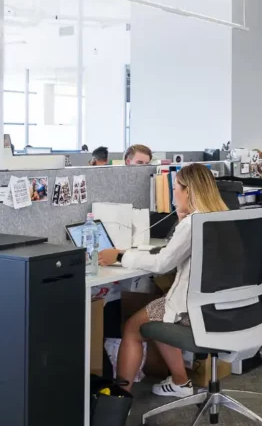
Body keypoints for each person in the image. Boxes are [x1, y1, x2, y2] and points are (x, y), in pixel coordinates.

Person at [97, 164, 229, 399]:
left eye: (176, 187)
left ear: (188, 191)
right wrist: (181, 219)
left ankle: (119, 401)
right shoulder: (224, 217)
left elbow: (161, 265)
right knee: (157, 309)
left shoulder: (192, 224)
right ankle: (180, 381)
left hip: (191, 312)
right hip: (222, 308)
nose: (173, 192)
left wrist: (119, 255)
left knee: (133, 327)